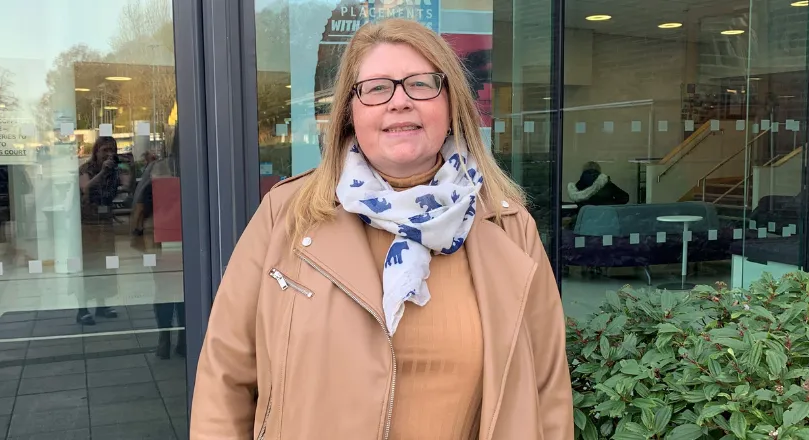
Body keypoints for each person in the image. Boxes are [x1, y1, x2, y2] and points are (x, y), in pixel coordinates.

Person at [191, 19, 573, 440]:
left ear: (451, 105)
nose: (399, 102)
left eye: (421, 84)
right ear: (350, 113)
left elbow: (547, 391)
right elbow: (225, 377)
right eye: (376, 88)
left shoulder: (509, 227)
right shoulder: (286, 214)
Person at [76, 136, 126, 325]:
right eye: (104, 150)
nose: (109, 154)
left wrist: (127, 171)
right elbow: (85, 189)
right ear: (96, 151)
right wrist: (103, 172)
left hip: (105, 222)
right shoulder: (85, 169)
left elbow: (125, 190)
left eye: (112, 150)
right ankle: (82, 308)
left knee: (105, 264)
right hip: (87, 223)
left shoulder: (113, 170)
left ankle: (101, 303)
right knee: (88, 265)